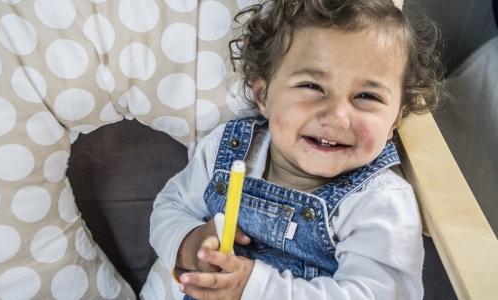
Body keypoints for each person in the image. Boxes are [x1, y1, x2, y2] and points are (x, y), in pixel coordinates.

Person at [149, 0, 443, 299]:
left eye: (366, 95)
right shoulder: (230, 149)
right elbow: (170, 209)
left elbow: (378, 294)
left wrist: (255, 289)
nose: (336, 117)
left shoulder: (379, 201)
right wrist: (191, 244)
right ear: (263, 95)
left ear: (395, 118)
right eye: (312, 87)